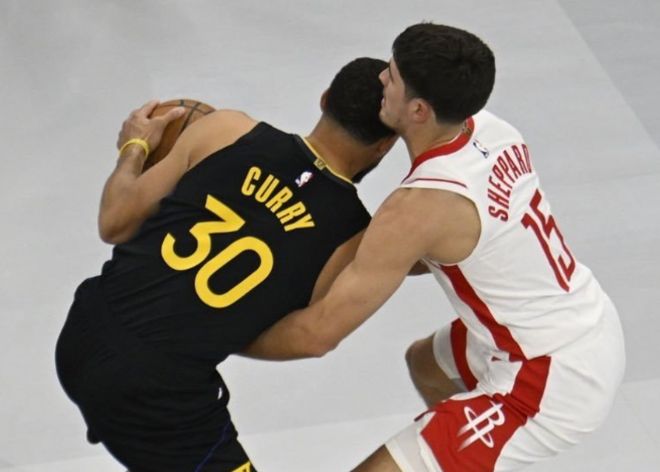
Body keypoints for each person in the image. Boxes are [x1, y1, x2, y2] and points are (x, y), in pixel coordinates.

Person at [244, 23, 626, 471]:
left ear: (419, 110)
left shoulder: (420, 207)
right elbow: (452, 243)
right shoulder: (493, 130)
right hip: (586, 318)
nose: (380, 79)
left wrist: (215, 340)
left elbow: (317, 335)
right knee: (427, 364)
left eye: (391, 76)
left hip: (547, 380)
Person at [55, 57, 397, 472]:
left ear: (325, 99)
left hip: (84, 330)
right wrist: (211, 329)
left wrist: (134, 148)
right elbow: (311, 338)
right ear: (386, 145)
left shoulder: (225, 130)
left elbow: (115, 222)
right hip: (157, 392)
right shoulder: (352, 237)